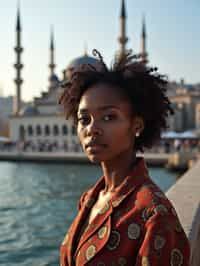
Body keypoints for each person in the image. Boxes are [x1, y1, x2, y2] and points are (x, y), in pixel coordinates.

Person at [59, 50, 190, 266]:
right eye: (84, 119)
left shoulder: (155, 214)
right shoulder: (89, 199)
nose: (92, 128)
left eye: (109, 117)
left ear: (136, 125)